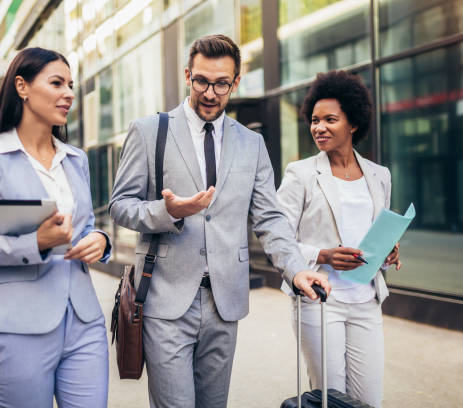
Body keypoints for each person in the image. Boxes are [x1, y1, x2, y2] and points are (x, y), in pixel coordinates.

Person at [109, 34, 330, 408]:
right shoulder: (149, 131)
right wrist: (167, 213)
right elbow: (120, 205)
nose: (210, 93)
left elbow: (270, 218)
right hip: (166, 298)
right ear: (187, 75)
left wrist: (295, 269)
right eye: (201, 81)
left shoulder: (251, 143)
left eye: (221, 83)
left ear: (236, 82)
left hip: (224, 302)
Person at [0, 47, 112, 408]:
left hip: (84, 321)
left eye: (70, 85)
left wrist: (100, 241)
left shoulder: (76, 159)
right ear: (22, 87)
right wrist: (36, 242)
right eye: (56, 83)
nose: (69, 93)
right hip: (20, 323)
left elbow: (86, 226)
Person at [276, 70, 401, 407]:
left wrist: (388, 249)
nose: (319, 127)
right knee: (331, 400)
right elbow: (277, 237)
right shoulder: (300, 174)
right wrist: (324, 255)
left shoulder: (379, 176)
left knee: (368, 400)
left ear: (353, 123)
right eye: (315, 120)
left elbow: (376, 231)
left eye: (330, 119)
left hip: (366, 300)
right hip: (320, 301)